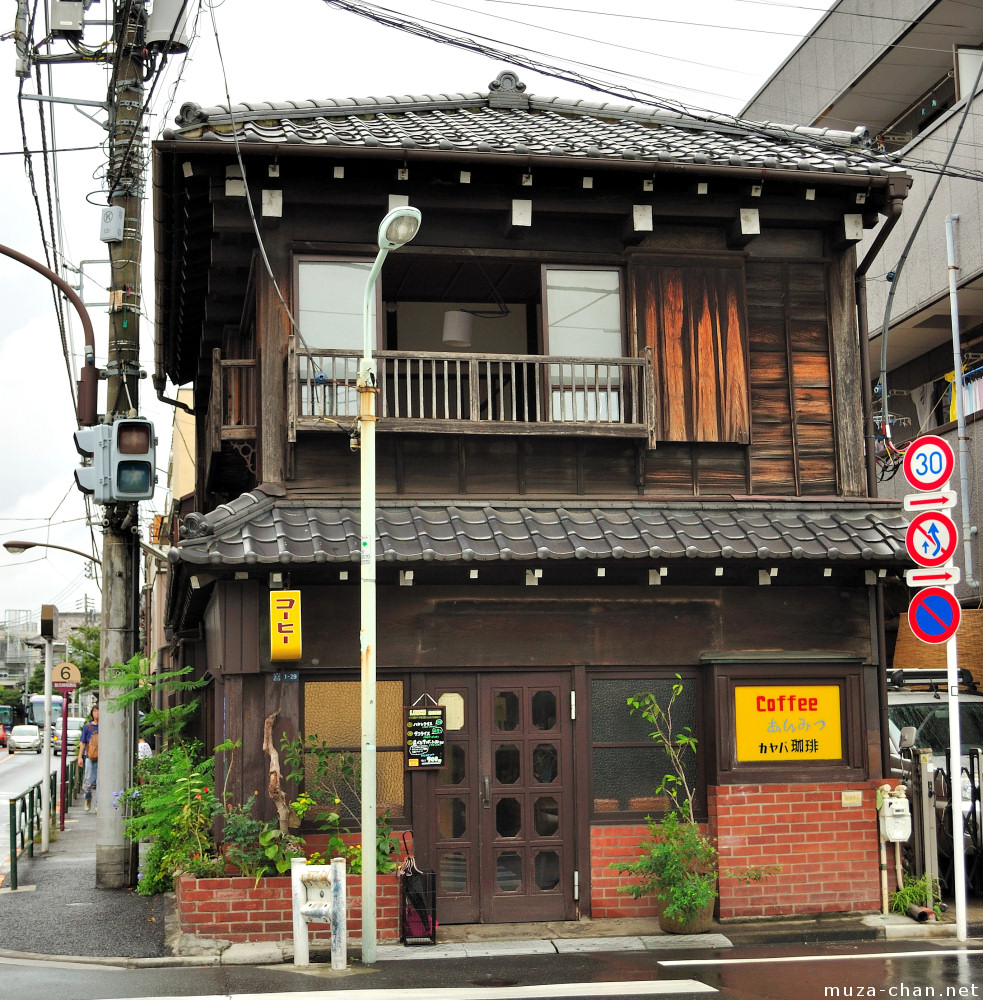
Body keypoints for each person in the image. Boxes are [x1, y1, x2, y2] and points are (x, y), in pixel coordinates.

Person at [78, 706, 99, 811]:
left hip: (102, 758)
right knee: (88, 782)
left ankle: (97, 805)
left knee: (100, 782)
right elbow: (83, 742)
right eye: (95, 711)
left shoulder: (105, 726)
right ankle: (88, 798)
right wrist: (80, 757)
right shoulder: (87, 727)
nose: (97, 713)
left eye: (99, 711)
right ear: (92, 713)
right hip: (89, 757)